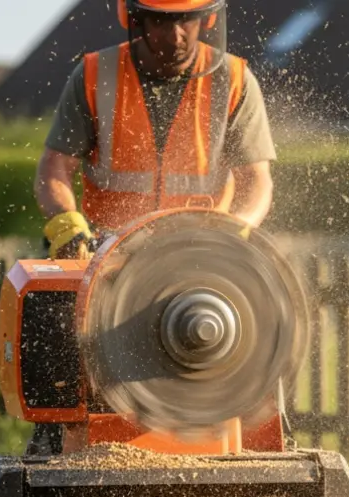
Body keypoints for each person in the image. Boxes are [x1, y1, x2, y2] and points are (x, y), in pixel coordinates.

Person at [26, 0, 277, 456]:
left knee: (256, 341)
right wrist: (69, 227)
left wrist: (232, 233)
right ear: (134, 18)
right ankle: (57, 446)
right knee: (63, 356)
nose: (176, 34)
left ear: (208, 19)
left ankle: (257, 453)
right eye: (163, 21)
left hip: (201, 258)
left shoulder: (235, 79)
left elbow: (257, 182)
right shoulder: (94, 75)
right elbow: (53, 168)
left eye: (186, 20)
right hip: (109, 255)